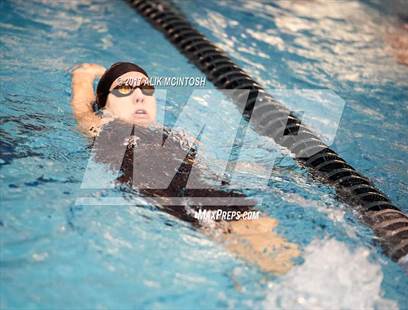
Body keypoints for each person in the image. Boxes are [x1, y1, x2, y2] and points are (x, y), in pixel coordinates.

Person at [70, 62, 299, 274]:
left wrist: (265, 170)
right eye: (124, 90)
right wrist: (84, 74)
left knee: (268, 232)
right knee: (260, 248)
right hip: (170, 196)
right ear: (103, 104)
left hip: (206, 192)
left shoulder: (178, 136)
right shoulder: (101, 126)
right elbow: (82, 104)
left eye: (147, 89)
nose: (139, 96)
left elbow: (209, 168)